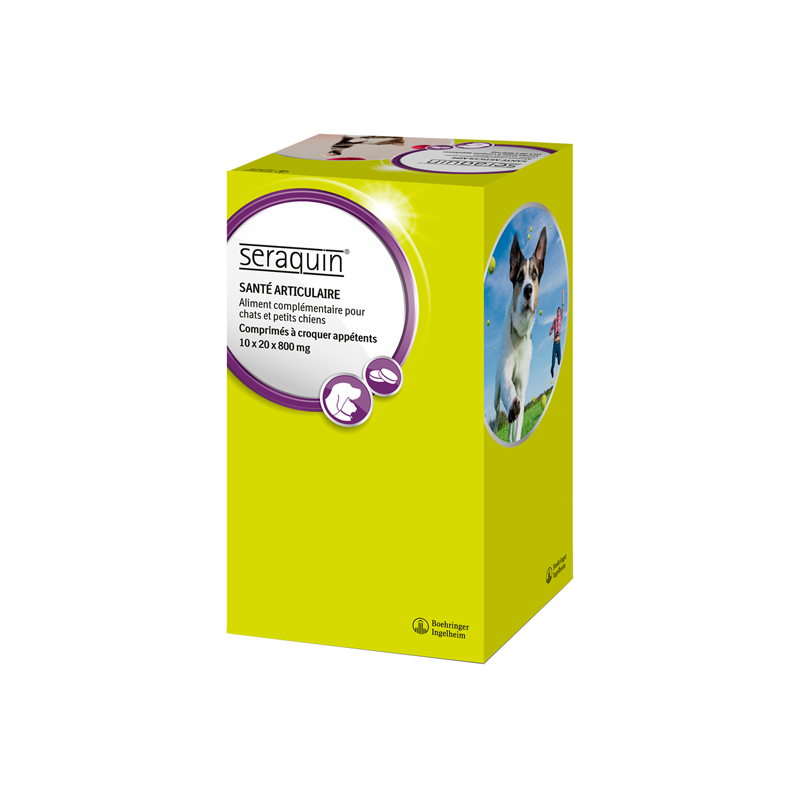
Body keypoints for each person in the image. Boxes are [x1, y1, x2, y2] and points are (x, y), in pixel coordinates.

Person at [549, 290, 565, 377]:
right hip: (554, 344)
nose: (559, 312)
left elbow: (563, 305)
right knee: (553, 364)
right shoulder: (555, 320)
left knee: (559, 362)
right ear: (557, 312)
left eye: (560, 311)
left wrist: (563, 294)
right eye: (558, 311)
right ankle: (551, 370)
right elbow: (551, 328)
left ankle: (558, 356)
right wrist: (550, 331)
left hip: (558, 343)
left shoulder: (560, 318)